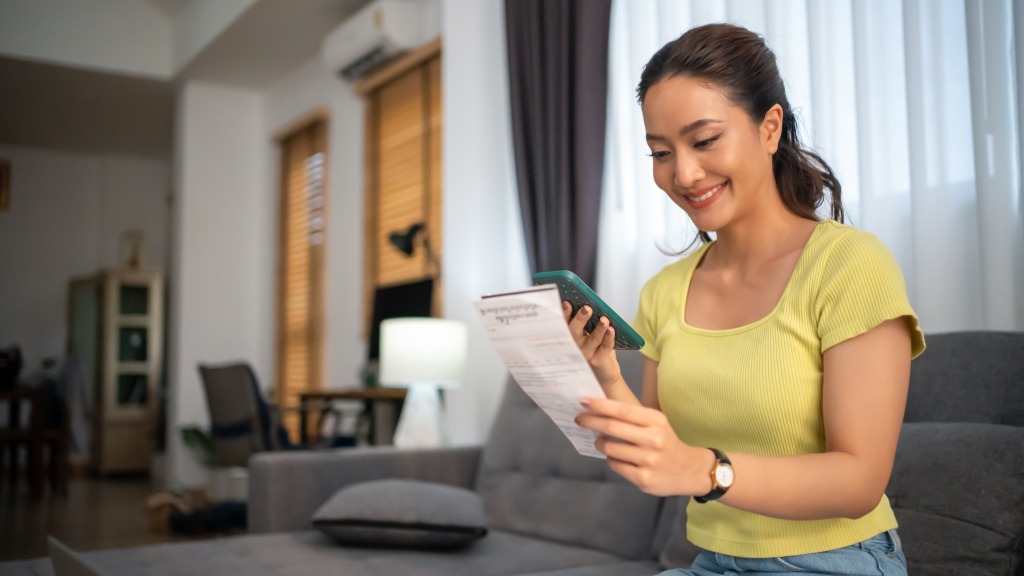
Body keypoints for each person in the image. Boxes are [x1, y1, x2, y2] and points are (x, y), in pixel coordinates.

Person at [566, 23, 925, 576]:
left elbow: (860, 480)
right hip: (714, 562)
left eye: (704, 140)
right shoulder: (664, 292)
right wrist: (605, 372)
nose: (683, 173)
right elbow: (659, 452)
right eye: (661, 152)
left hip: (834, 561)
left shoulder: (849, 267)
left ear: (769, 128)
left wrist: (710, 472)